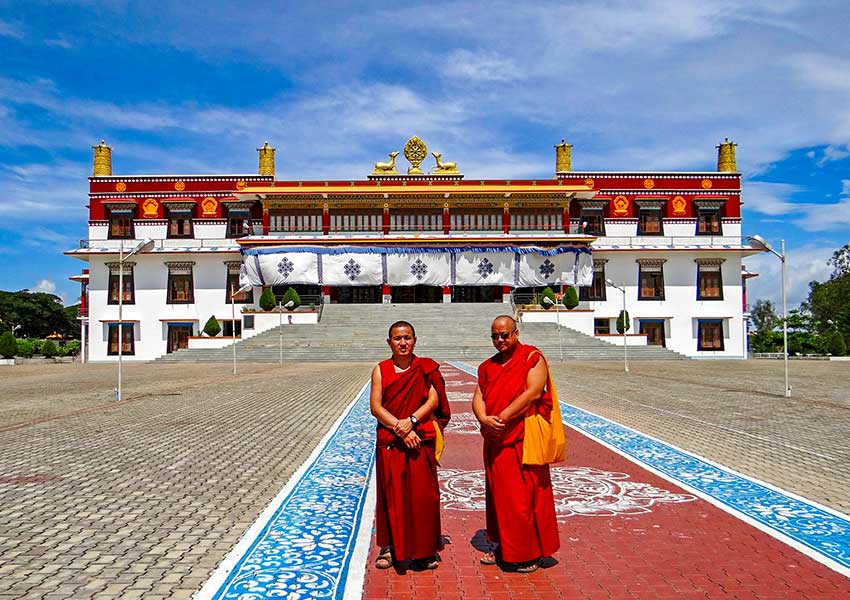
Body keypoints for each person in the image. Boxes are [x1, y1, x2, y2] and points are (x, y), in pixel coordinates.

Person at [472, 315, 560, 573]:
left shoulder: (532, 358)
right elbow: (478, 396)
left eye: (505, 335)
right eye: (495, 336)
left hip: (522, 436)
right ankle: (501, 544)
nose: (500, 340)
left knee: (523, 497)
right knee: (499, 495)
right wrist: (484, 418)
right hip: (496, 438)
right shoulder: (487, 366)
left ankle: (528, 552)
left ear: (516, 333)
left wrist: (503, 417)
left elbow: (533, 392)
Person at [370, 320, 450, 570]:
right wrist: (401, 428)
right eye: (397, 338)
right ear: (389, 342)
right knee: (392, 497)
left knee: (424, 497)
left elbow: (434, 400)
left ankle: (425, 550)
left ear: (415, 340)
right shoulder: (381, 370)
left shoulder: (426, 368)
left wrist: (412, 421)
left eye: (407, 338)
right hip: (392, 441)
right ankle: (390, 547)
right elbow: (376, 406)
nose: (402, 343)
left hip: (420, 439)